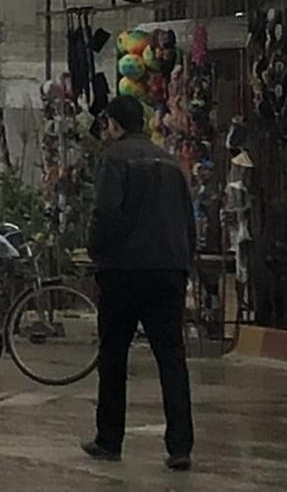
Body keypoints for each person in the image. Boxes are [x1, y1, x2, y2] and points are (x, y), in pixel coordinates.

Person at [82, 94, 196, 472]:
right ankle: (180, 446)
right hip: (169, 271)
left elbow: (106, 212)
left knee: (114, 357)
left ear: (114, 125)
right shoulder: (169, 162)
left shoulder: (114, 160)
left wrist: (94, 249)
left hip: (123, 272)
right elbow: (187, 219)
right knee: (171, 359)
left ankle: (109, 440)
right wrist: (183, 264)